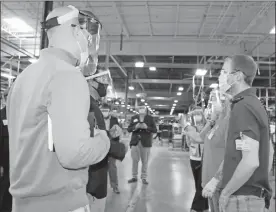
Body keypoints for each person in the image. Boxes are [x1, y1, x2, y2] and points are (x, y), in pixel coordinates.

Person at [6, 6, 111, 212]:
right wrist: (103, 140)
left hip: (22, 204)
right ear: (75, 31)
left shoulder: (23, 78)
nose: (86, 43)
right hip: (61, 204)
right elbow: (74, 155)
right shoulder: (67, 75)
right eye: (84, 35)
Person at [203, 55, 272, 212]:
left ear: (238, 76)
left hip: (241, 198)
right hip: (249, 194)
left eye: (224, 72)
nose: (221, 77)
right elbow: (270, 152)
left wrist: (226, 193)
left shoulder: (243, 107)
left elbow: (250, 161)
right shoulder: (251, 103)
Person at [86, 67, 126, 212]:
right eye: (103, 80)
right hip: (93, 180)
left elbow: (94, 134)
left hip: (96, 176)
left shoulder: (93, 105)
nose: (106, 84)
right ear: (91, 81)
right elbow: (92, 141)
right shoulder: (89, 106)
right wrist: (120, 149)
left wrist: (109, 134)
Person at [185, 91, 231, 212]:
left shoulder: (228, 122)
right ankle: (203, 207)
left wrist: (216, 179)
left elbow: (232, 154)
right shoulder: (213, 123)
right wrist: (212, 120)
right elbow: (199, 138)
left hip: (218, 180)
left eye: (219, 99)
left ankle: (196, 207)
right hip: (207, 174)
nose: (214, 104)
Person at [184, 109, 209, 212]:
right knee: (198, 184)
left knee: (201, 184)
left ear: (202, 115)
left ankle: (195, 208)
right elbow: (188, 143)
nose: (197, 116)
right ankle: (205, 206)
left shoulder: (208, 126)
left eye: (198, 114)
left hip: (206, 158)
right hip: (194, 158)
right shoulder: (190, 128)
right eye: (195, 115)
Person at [127, 105, 157, 184]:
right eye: (140, 108)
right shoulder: (134, 117)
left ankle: (144, 177)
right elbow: (129, 129)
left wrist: (147, 127)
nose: (141, 109)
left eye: (143, 108)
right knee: (134, 160)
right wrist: (135, 127)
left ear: (146, 109)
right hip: (135, 142)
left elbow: (155, 130)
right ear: (138, 109)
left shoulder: (150, 118)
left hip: (146, 143)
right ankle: (134, 176)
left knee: (145, 161)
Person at [100, 104, 123, 194]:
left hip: (112, 145)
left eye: (106, 110)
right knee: (100, 167)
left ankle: (115, 186)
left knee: (112, 166)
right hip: (100, 145)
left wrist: (116, 133)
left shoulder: (114, 120)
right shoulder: (97, 118)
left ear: (109, 111)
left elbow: (118, 131)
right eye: (103, 110)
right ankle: (100, 186)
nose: (104, 112)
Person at [0, 88, 12, 212]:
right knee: (2, 191)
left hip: (17, 163)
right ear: (4, 99)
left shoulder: (18, 116)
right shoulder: (1, 116)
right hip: (4, 164)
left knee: (11, 193)